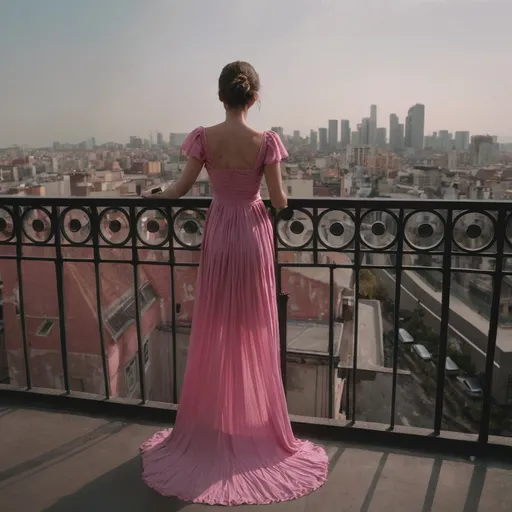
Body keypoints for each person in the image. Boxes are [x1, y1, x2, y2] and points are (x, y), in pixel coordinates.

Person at [141, 61, 328, 506]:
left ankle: (216, 421)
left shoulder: (204, 137)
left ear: (221, 96)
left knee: (217, 325)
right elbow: (280, 200)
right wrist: (271, 198)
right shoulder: (266, 142)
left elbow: (180, 188)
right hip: (253, 232)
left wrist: (155, 197)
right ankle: (252, 425)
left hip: (221, 230)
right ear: (254, 98)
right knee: (254, 326)